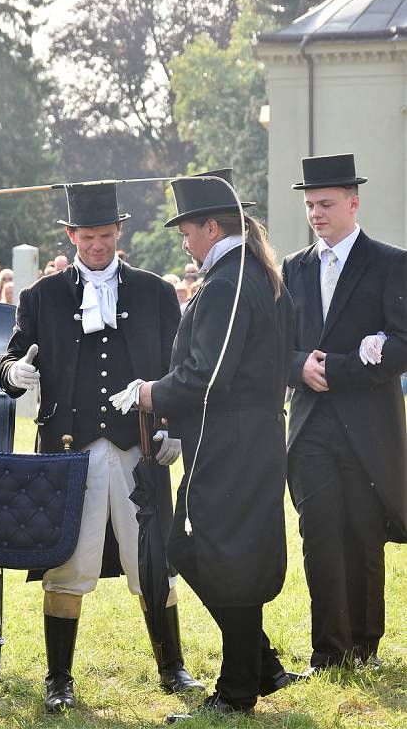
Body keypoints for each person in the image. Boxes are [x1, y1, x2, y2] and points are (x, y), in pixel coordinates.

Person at [0, 181, 202, 713]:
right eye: (87, 237)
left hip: (138, 446)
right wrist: (14, 373)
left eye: (106, 235)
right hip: (70, 453)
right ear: (70, 236)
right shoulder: (41, 297)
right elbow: (10, 363)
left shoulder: (155, 292)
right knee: (69, 562)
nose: (97, 246)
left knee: (151, 559)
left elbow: (178, 369)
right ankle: (59, 679)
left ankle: (172, 668)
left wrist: (173, 426)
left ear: (119, 233)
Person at [134, 168, 300, 718]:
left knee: (213, 553)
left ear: (211, 226)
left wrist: (150, 393)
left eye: (187, 227)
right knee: (213, 552)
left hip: (232, 438)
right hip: (241, 435)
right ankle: (260, 665)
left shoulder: (232, 280)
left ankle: (237, 692)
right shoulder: (249, 274)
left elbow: (207, 374)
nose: (183, 238)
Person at [282, 153, 407, 672]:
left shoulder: (390, 262)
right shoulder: (293, 267)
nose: (316, 213)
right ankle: (328, 652)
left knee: (362, 530)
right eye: (310, 205)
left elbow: (402, 343)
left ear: (353, 203)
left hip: (367, 422)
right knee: (319, 531)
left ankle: (364, 643)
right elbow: (278, 343)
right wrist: (297, 367)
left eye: (326, 204)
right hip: (310, 423)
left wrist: (338, 369)